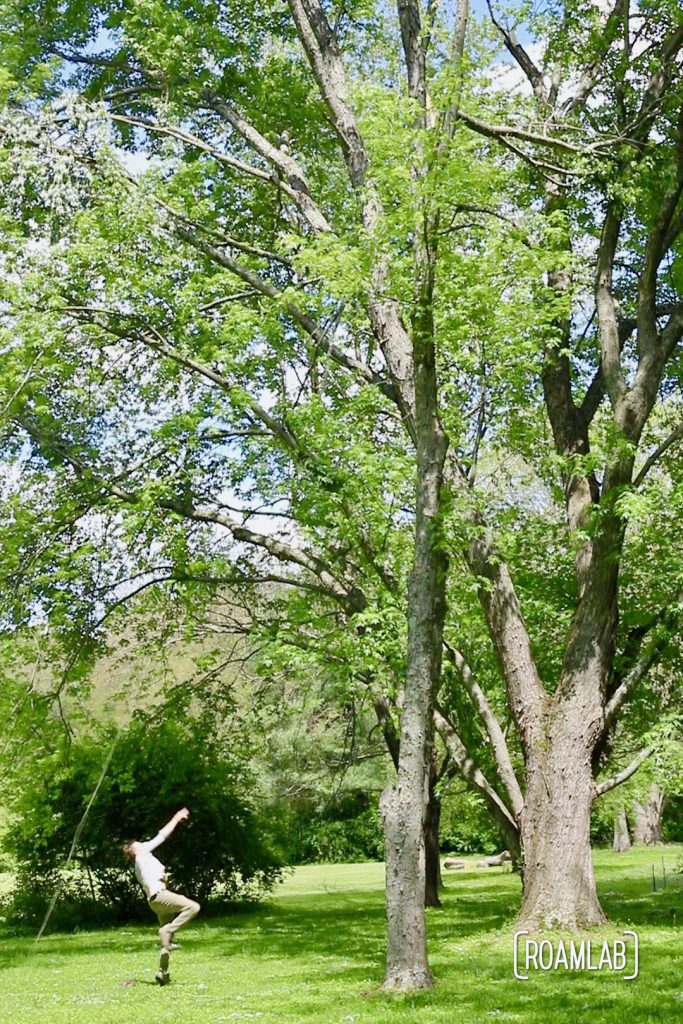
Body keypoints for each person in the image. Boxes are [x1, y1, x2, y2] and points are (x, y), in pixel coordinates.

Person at [123, 807, 201, 986]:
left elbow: (151, 880)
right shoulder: (142, 853)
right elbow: (162, 836)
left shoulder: (140, 865)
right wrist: (176, 818)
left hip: (154, 902)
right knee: (193, 907)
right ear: (134, 851)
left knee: (166, 944)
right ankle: (168, 930)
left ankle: (162, 973)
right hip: (160, 896)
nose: (141, 843)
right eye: (138, 843)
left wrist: (162, 877)